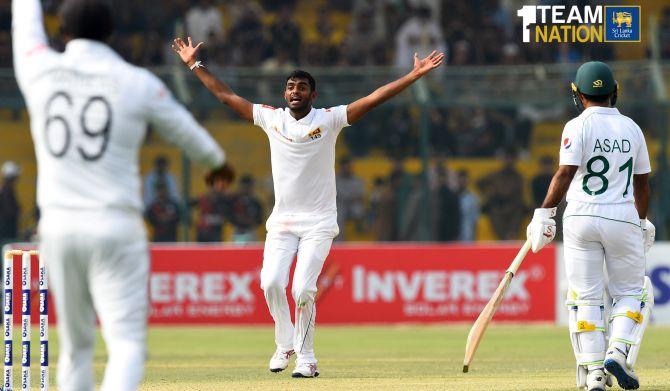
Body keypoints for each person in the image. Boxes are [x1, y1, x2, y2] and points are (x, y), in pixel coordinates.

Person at [172, 35, 444, 377]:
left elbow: (373, 98)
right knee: (270, 282)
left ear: (312, 95)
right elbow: (227, 97)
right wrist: (194, 64)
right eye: (290, 86)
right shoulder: (272, 119)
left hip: (318, 222)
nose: (295, 90)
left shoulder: (329, 119)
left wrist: (413, 76)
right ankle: (284, 343)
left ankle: (307, 357)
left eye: (302, 86)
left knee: (302, 288)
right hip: (283, 222)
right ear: (285, 94)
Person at [12, 0, 229, 389]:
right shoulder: (136, 81)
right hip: (116, 226)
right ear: (112, 34)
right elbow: (190, 137)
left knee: (76, 346)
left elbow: (25, 24)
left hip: (59, 228)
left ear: (62, 32)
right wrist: (217, 164)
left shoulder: (37, 68)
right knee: (126, 342)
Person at [527, 62, 654, 391]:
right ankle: (618, 351)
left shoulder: (575, 126)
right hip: (622, 216)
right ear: (614, 92)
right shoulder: (632, 129)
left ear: (578, 95)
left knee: (585, 298)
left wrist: (544, 213)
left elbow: (565, 174)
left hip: (580, 217)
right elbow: (642, 185)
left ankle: (594, 374)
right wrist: (641, 220)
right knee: (631, 293)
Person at [477, 148, 527, 240]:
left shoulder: (518, 177)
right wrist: (488, 192)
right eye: (507, 158)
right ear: (503, 160)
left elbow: (519, 195)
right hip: (497, 204)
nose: (509, 161)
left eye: (511, 159)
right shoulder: (495, 175)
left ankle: (511, 235)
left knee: (519, 210)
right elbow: (479, 183)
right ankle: (504, 238)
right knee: (493, 211)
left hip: (513, 206)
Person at [195, 165, 235, 242]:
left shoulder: (226, 200)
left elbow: (228, 216)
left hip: (216, 233)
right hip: (202, 233)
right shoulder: (203, 198)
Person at [335, 157, 365, 241]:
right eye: (344, 167)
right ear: (340, 168)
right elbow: (337, 195)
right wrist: (350, 196)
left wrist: (350, 197)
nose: (346, 169)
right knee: (339, 214)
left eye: (348, 167)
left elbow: (360, 195)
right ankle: (339, 243)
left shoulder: (357, 179)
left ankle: (361, 230)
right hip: (341, 205)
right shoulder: (335, 179)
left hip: (354, 205)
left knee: (358, 208)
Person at [231, 174, 264, 243]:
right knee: (236, 252)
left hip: (251, 231)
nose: (246, 189)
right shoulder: (234, 200)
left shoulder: (256, 201)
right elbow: (229, 215)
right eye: (244, 186)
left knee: (252, 252)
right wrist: (239, 219)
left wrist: (252, 221)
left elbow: (260, 219)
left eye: (248, 186)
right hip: (237, 231)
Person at [455, 169, 479, 242]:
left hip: (467, 231)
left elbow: (474, 220)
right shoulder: (450, 197)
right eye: (460, 179)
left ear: (468, 181)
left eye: (464, 179)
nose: (462, 182)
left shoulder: (473, 198)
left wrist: (474, 238)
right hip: (453, 232)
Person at [0, 161, 21, 244]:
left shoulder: (5, 189)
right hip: (7, 230)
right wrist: (17, 210)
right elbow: (8, 211)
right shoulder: (7, 190)